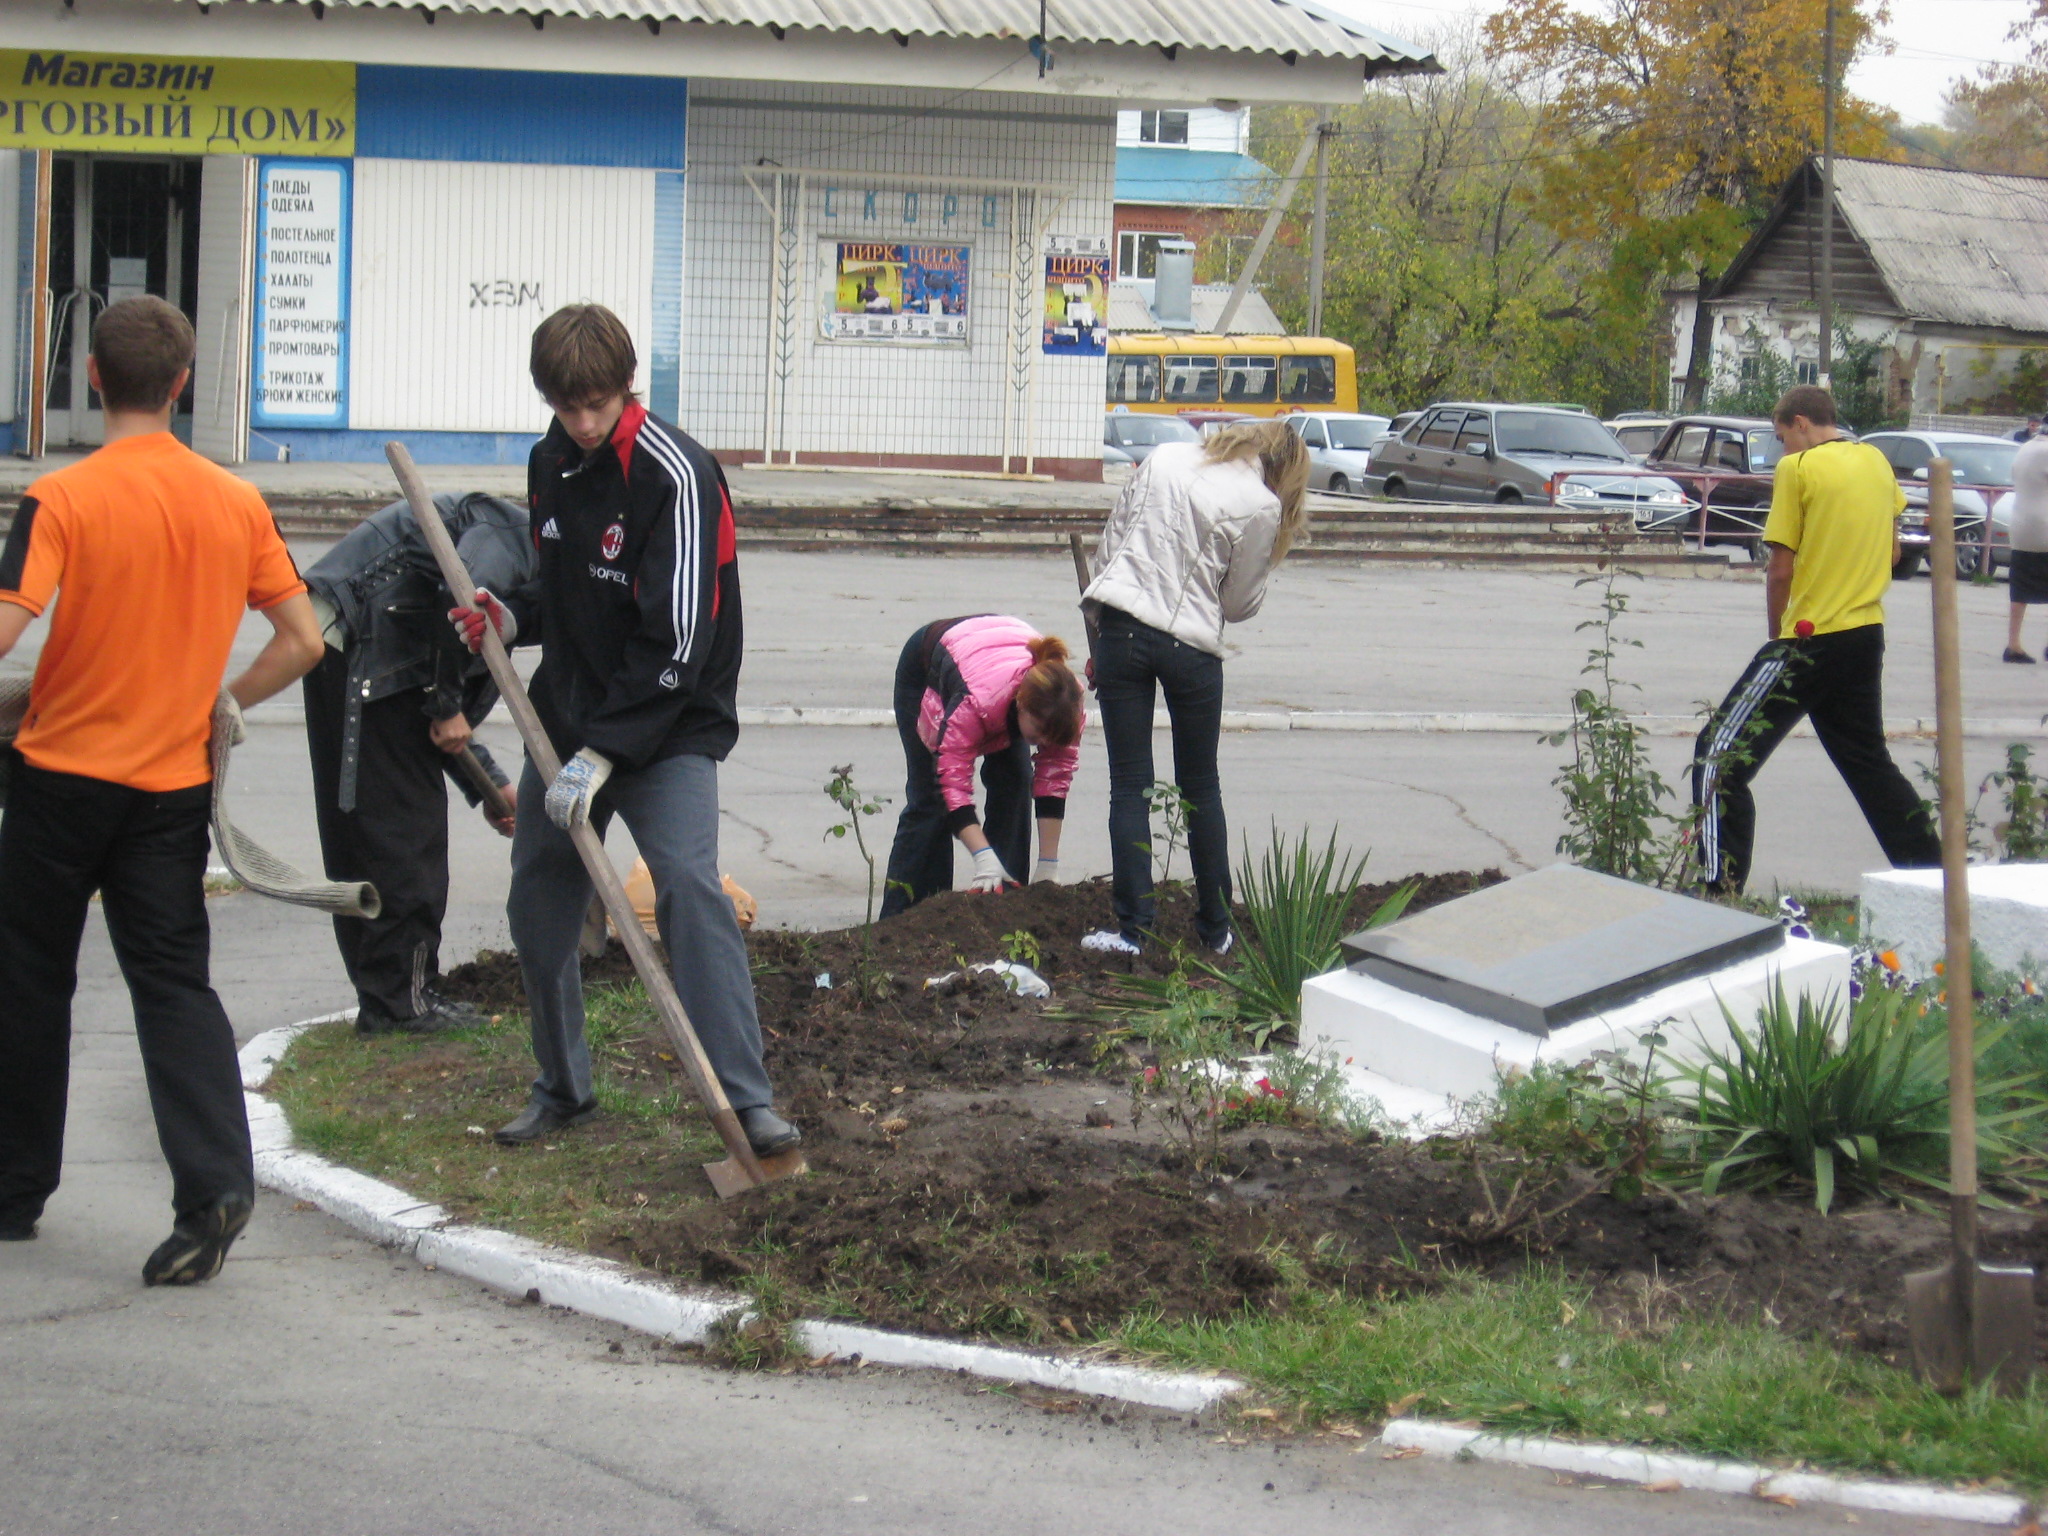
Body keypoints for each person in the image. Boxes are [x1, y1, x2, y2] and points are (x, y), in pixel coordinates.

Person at [0, 296, 324, 1280]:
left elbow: (7, 628)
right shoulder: (235, 503)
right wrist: (222, 698)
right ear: (182, 384)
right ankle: (212, 1187)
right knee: (173, 986)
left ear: (91, 378)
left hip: (60, 781)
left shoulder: (61, 499)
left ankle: (15, 1190)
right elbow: (305, 639)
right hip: (172, 788)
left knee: (27, 980)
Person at [448, 304, 799, 1155]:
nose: (583, 424)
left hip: (668, 726)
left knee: (684, 885)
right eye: (566, 408)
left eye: (596, 406)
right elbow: (567, 596)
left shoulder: (676, 475)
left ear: (625, 385)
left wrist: (605, 754)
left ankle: (746, 1100)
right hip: (571, 719)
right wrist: (508, 615)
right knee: (538, 897)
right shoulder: (552, 461)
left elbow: (677, 637)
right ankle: (563, 1085)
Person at [1692, 385, 1942, 892]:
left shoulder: (1798, 470)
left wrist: (1776, 641)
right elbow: (1893, 554)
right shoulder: (1875, 461)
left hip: (1809, 636)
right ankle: (1935, 877)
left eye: (1784, 438)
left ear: (1801, 423)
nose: (1783, 450)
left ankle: (1718, 888)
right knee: (1868, 762)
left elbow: (1779, 569)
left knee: (1718, 755)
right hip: (1865, 633)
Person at [303, 492, 533, 1033]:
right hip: (360, 635)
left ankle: (393, 998)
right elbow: (458, 602)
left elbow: (436, 714)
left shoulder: (512, 553)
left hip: (358, 640)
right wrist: (451, 706)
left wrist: (491, 786)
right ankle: (403, 1005)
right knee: (403, 834)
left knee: (380, 830)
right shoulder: (516, 544)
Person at [1080, 418, 1309, 955]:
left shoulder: (1163, 457)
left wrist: (1102, 638)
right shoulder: (1261, 504)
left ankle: (1134, 931)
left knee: (1129, 782)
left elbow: (1110, 548)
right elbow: (1237, 604)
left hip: (1120, 628)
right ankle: (1216, 929)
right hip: (1191, 647)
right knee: (1200, 788)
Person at [878, 616, 1084, 916]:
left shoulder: (1066, 704)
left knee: (1015, 782)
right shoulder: (978, 702)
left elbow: (1056, 776)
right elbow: (950, 782)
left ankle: (1005, 903)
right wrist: (983, 855)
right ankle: (909, 916)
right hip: (929, 668)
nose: (1040, 742)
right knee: (931, 803)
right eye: (1037, 733)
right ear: (1022, 706)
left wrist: (1048, 865)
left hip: (991, 661)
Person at [2004, 435, 2048, 662]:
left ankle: (2013, 644)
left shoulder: (2026, 448)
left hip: (2020, 525)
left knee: (2020, 588)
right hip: (2044, 525)